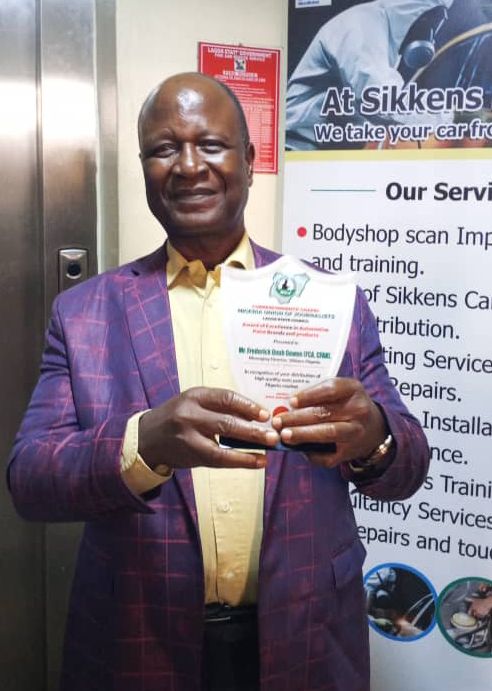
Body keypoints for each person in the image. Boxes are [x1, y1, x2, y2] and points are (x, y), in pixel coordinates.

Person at [7, 72, 429, 691]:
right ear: (145, 168)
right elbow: (30, 480)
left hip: (307, 633)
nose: (188, 166)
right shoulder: (85, 313)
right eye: (163, 149)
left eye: (210, 144)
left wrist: (375, 438)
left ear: (250, 161)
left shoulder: (325, 301)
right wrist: (143, 444)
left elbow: (407, 468)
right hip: (138, 639)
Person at [286, 0, 454, 150]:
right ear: (418, 14)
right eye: (434, 22)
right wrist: (452, 118)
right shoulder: (361, 27)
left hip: (323, 151)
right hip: (298, 150)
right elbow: (382, 101)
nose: (432, 36)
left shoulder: (385, 35)